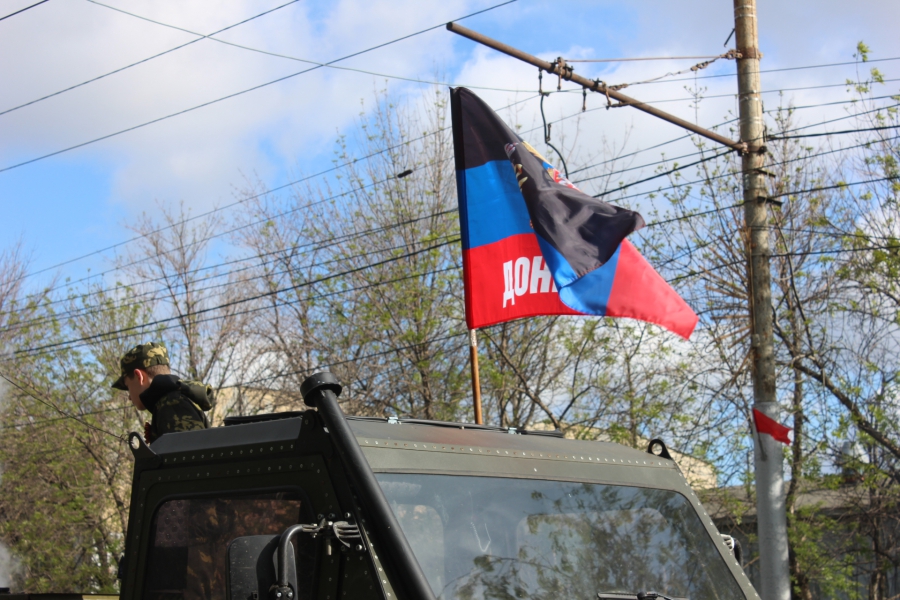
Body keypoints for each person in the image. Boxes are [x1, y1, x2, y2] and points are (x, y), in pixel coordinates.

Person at [111, 342, 213, 443]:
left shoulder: (172, 404)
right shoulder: (170, 402)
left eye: (127, 386)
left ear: (139, 376)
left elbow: (188, 452)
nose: (129, 397)